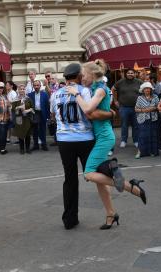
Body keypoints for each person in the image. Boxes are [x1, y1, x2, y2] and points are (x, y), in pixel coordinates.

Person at [67, 60, 147, 230]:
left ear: (92, 74)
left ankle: (132, 187)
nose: (81, 79)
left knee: (89, 174)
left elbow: (88, 109)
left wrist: (76, 94)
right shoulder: (96, 88)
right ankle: (111, 214)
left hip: (104, 137)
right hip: (99, 137)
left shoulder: (101, 89)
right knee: (99, 182)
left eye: (83, 75)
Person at [112, 68, 143, 148]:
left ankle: (136, 141)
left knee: (135, 125)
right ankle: (123, 141)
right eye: (128, 73)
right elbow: (113, 89)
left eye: (132, 73)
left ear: (135, 74)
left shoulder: (139, 82)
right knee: (124, 125)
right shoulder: (121, 82)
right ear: (126, 74)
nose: (130, 74)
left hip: (136, 107)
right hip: (124, 107)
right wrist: (115, 101)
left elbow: (145, 90)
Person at [134, 82, 160, 158]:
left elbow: (159, 106)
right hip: (143, 119)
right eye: (145, 89)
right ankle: (140, 152)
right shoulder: (140, 98)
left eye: (149, 88)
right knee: (142, 136)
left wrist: (154, 108)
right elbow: (136, 109)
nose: (147, 90)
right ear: (143, 90)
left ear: (151, 89)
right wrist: (144, 110)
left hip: (153, 119)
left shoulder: (155, 96)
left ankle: (152, 152)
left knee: (152, 135)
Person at [11, 84, 34, 154]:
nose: (22, 90)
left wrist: (28, 110)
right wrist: (18, 108)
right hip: (19, 118)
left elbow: (32, 108)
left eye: (23, 89)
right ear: (18, 90)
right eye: (20, 89)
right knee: (20, 134)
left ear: (25, 90)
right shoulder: (15, 99)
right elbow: (13, 110)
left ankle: (28, 148)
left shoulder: (28, 99)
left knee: (27, 134)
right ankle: (21, 149)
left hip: (27, 118)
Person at [28, 80, 50, 151]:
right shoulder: (30, 95)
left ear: (40, 86)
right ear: (33, 86)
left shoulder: (45, 94)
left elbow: (47, 106)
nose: (36, 87)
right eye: (35, 85)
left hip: (42, 113)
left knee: (43, 129)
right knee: (35, 130)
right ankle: (35, 145)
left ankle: (44, 144)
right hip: (34, 114)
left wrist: (48, 116)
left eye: (38, 85)